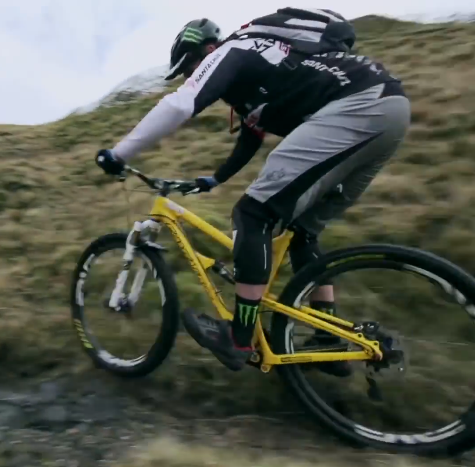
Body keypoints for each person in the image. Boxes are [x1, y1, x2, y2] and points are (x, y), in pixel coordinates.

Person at [94, 16, 411, 374]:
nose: (189, 76)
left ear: (207, 50)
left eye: (190, 67)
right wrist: (212, 180)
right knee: (302, 231)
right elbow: (250, 140)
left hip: (358, 106)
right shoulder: (259, 77)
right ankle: (329, 338)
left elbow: (181, 104)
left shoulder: (233, 50)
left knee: (252, 215)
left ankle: (239, 338)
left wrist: (118, 154)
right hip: (390, 109)